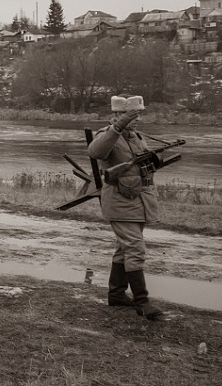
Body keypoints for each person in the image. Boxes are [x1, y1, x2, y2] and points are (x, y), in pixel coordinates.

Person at [88, 95, 164, 321]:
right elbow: (95, 152)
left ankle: (116, 294)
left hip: (138, 200)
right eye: (131, 114)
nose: (136, 118)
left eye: (138, 114)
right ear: (117, 114)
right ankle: (142, 302)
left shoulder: (137, 137)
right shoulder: (107, 134)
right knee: (134, 248)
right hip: (120, 201)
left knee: (124, 248)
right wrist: (118, 127)